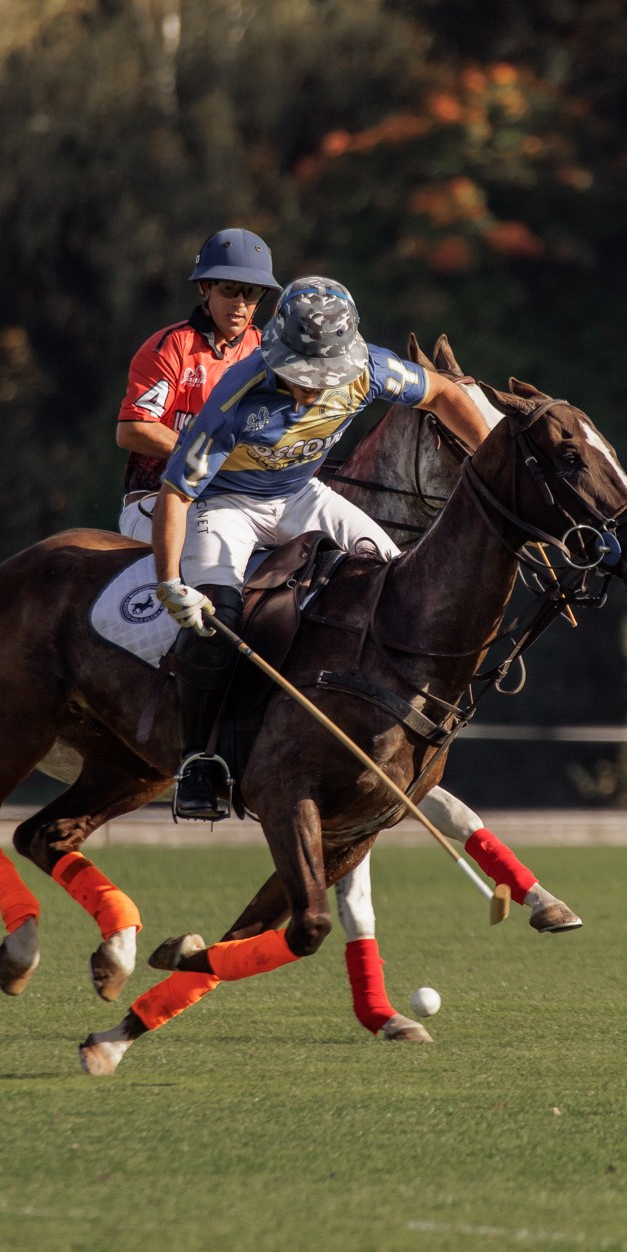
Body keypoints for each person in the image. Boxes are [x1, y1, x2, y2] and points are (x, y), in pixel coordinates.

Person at [150, 276, 493, 821]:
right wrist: (170, 582)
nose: (313, 389)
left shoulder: (372, 368)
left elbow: (444, 393)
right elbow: (176, 492)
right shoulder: (238, 394)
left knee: (400, 584)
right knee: (217, 621)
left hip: (301, 494)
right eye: (301, 374)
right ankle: (196, 761)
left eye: (324, 375)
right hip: (226, 503)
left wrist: (487, 461)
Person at [114, 228, 279, 542]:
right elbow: (133, 430)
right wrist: (210, 456)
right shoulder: (169, 347)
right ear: (205, 288)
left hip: (239, 504)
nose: (240, 303)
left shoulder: (268, 354)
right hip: (156, 498)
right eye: (230, 289)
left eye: (251, 292)